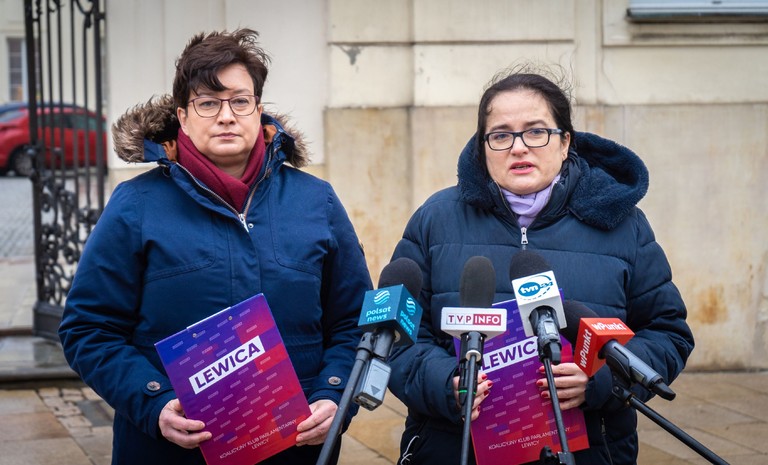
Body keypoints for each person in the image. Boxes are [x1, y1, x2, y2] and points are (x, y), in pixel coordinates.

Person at [58, 29, 372, 465]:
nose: (226, 116)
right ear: (183, 117)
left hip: (295, 448)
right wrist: (153, 402)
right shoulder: (135, 205)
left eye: (239, 101)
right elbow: (88, 329)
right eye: (208, 103)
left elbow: (357, 323)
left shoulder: (316, 200)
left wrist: (335, 394)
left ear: (258, 110)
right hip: (170, 451)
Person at [387, 65, 695, 465]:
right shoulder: (435, 219)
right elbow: (396, 338)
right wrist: (447, 384)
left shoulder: (623, 225)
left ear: (565, 142)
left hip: (589, 449)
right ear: (482, 147)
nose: (518, 148)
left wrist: (600, 379)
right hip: (453, 447)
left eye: (536, 131)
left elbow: (667, 332)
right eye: (501, 135)